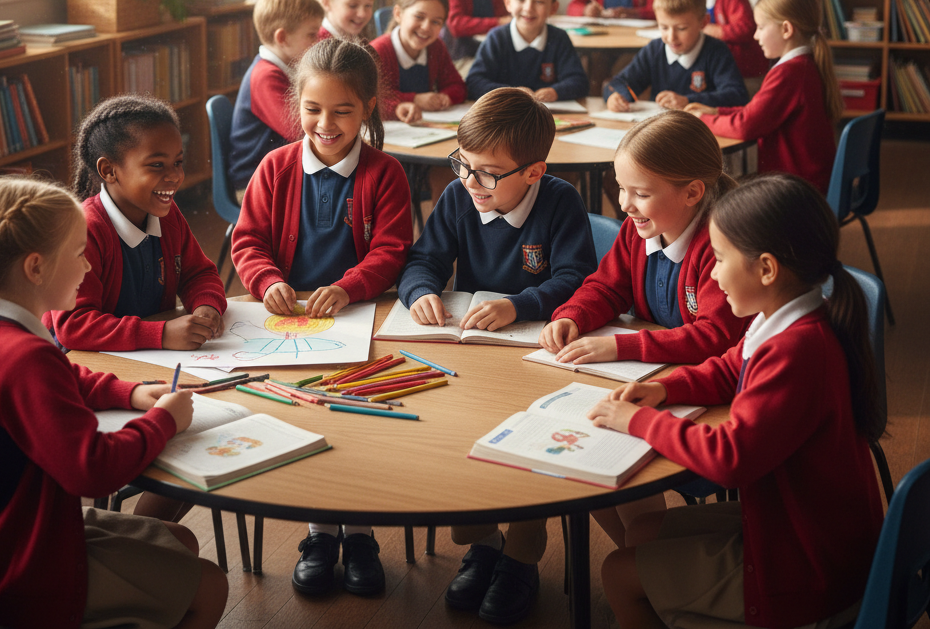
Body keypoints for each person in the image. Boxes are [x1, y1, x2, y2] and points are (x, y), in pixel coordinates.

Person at [0, 176, 227, 629]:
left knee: (180, 540)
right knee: (211, 585)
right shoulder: (25, 357)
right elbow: (95, 469)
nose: (88, 267)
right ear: (35, 268)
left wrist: (128, 392)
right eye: (79, 253)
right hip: (18, 576)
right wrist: (163, 421)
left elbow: (62, 378)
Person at [588, 174, 884, 629]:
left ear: (766, 269)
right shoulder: (791, 316)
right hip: (795, 523)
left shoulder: (796, 351)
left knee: (618, 573)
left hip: (809, 571)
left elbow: (729, 458)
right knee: (643, 530)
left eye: (720, 259)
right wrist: (666, 389)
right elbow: (731, 368)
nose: (712, 273)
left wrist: (638, 421)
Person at [398, 87, 597, 625]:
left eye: (487, 173)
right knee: (456, 443)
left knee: (529, 449)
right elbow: (423, 260)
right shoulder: (458, 196)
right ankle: (484, 544)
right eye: (462, 163)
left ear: (533, 173)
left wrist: (520, 304)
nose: (469, 181)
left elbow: (577, 278)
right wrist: (421, 292)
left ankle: (521, 559)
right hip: (472, 355)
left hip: (537, 356)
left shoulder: (559, 201)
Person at [231, 37, 413, 598]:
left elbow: (392, 250)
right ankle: (318, 534)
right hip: (290, 323)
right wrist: (268, 281)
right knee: (305, 418)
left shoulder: (386, 173)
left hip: (364, 319)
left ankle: (359, 534)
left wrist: (348, 286)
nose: (326, 124)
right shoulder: (275, 167)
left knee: (356, 421)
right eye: (313, 109)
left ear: (368, 109)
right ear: (297, 106)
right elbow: (247, 241)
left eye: (343, 111)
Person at [539, 109, 748, 548]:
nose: (624, 204)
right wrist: (572, 316)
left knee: (602, 446)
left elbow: (716, 337)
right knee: (584, 451)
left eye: (640, 193)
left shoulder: (721, 245)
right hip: (653, 379)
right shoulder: (640, 230)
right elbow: (606, 287)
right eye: (621, 188)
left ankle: (646, 565)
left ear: (692, 192)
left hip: (712, 397)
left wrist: (622, 346)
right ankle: (640, 562)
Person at [48, 96, 227, 354]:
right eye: (157, 165)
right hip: (82, 362)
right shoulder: (84, 231)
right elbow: (73, 325)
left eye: (178, 162)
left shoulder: (168, 216)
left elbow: (198, 274)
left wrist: (206, 305)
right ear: (109, 171)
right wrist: (161, 334)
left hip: (146, 356)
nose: (175, 175)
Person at [688, 0, 841, 193]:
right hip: (807, 180)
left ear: (786, 30)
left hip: (794, 187)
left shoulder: (789, 73)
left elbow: (746, 127)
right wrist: (716, 111)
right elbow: (758, 113)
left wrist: (702, 120)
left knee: (716, 195)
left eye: (760, 27)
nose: (755, 36)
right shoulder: (805, 64)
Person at [229, 0, 323, 195]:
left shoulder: (288, 68)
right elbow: (299, 130)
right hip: (257, 185)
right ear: (282, 38)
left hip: (282, 174)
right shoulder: (265, 76)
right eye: (311, 35)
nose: (318, 42)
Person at [603, 0, 749, 111]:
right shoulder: (654, 50)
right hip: (661, 126)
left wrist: (688, 101)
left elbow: (737, 95)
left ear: (703, 22)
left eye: (681, 28)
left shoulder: (716, 51)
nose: (671, 37)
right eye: (664, 28)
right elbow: (617, 83)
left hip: (700, 127)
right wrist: (615, 96)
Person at [466, 0, 589, 102]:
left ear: (553, 8)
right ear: (508, 3)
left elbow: (579, 82)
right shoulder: (497, 38)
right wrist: (511, 93)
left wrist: (555, 92)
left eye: (539, 1)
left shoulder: (559, 39)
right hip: (506, 112)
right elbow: (474, 82)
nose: (529, 8)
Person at [370, 0, 466, 124]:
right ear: (398, 14)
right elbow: (369, 98)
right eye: (419, 17)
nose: (426, 27)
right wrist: (414, 99)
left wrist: (445, 97)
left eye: (436, 22)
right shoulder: (377, 51)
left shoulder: (436, 47)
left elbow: (458, 86)